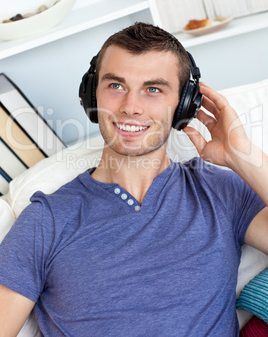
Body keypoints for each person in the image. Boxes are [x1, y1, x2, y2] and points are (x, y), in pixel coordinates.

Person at [0, 22, 267, 336]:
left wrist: (244, 156)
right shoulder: (46, 221)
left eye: (153, 89)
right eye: (115, 86)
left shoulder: (217, 189)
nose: (131, 107)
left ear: (184, 105)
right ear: (91, 96)